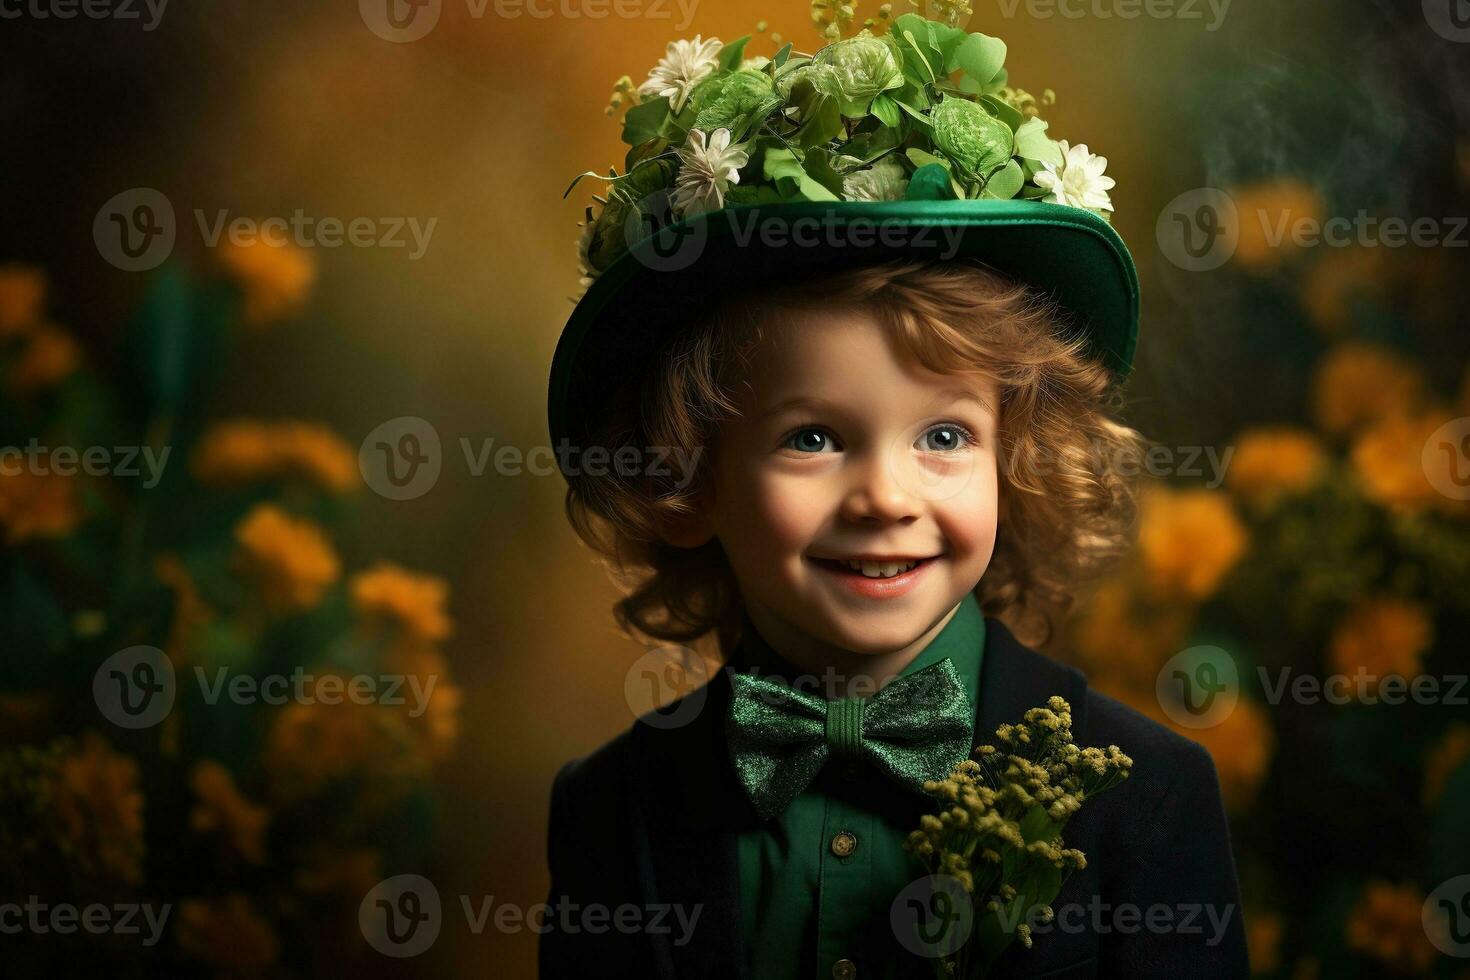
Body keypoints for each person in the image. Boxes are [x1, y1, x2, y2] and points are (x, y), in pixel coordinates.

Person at [541, 14, 1249, 979]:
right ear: (688, 474)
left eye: (945, 436)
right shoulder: (613, 811)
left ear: (1017, 461)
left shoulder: (1149, 799)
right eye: (814, 438)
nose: (885, 496)